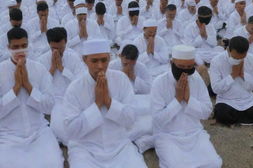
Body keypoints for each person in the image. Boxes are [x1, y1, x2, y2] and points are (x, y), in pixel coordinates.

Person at [62, 39, 148, 168]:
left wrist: (108, 102)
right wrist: (97, 105)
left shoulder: (121, 79)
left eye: (104, 60)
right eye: (94, 61)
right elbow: (72, 131)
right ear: (85, 60)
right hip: (86, 150)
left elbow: (131, 119)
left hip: (119, 147)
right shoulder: (75, 88)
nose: (100, 66)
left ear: (109, 58)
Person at [0, 27, 63, 168]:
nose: (20, 51)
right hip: (8, 136)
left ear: (28, 45)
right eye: (15, 47)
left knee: (54, 164)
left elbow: (48, 107)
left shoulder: (39, 69)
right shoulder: (1, 71)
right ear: (8, 48)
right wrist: (16, 88)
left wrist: (28, 86)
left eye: (24, 46)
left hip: (39, 133)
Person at [151, 44, 222, 168]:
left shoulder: (196, 79)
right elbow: (158, 120)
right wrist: (178, 100)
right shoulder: (159, 83)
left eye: (189, 67)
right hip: (168, 136)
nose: (185, 71)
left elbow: (206, 112)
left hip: (194, 133)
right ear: (171, 63)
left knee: (214, 163)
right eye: (181, 67)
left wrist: (189, 99)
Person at [39, 27, 84, 144]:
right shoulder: (42, 60)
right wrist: (52, 69)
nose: (58, 51)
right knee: (62, 129)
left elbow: (80, 82)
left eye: (61, 48)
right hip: (55, 101)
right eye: (54, 48)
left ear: (66, 42)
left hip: (74, 98)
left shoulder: (73, 57)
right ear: (49, 44)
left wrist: (62, 69)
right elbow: (41, 86)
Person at [109, 44, 153, 153]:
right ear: (120, 56)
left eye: (131, 64)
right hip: (118, 100)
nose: (128, 66)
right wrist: (122, 77)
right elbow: (108, 90)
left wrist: (134, 77)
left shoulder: (141, 67)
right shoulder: (112, 66)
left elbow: (149, 89)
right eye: (125, 63)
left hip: (137, 99)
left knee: (152, 107)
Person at [210, 36, 253, 126]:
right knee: (222, 113)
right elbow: (216, 89)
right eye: (235, 58)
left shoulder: (252, 59)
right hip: (227, 101)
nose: (238, 60)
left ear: (246, 53)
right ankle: (244, 118)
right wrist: (232, 75)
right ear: (228, 50)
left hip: (247, 100)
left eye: (241, 58)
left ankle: (238, 119)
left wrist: (243, 75)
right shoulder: (216, 61)